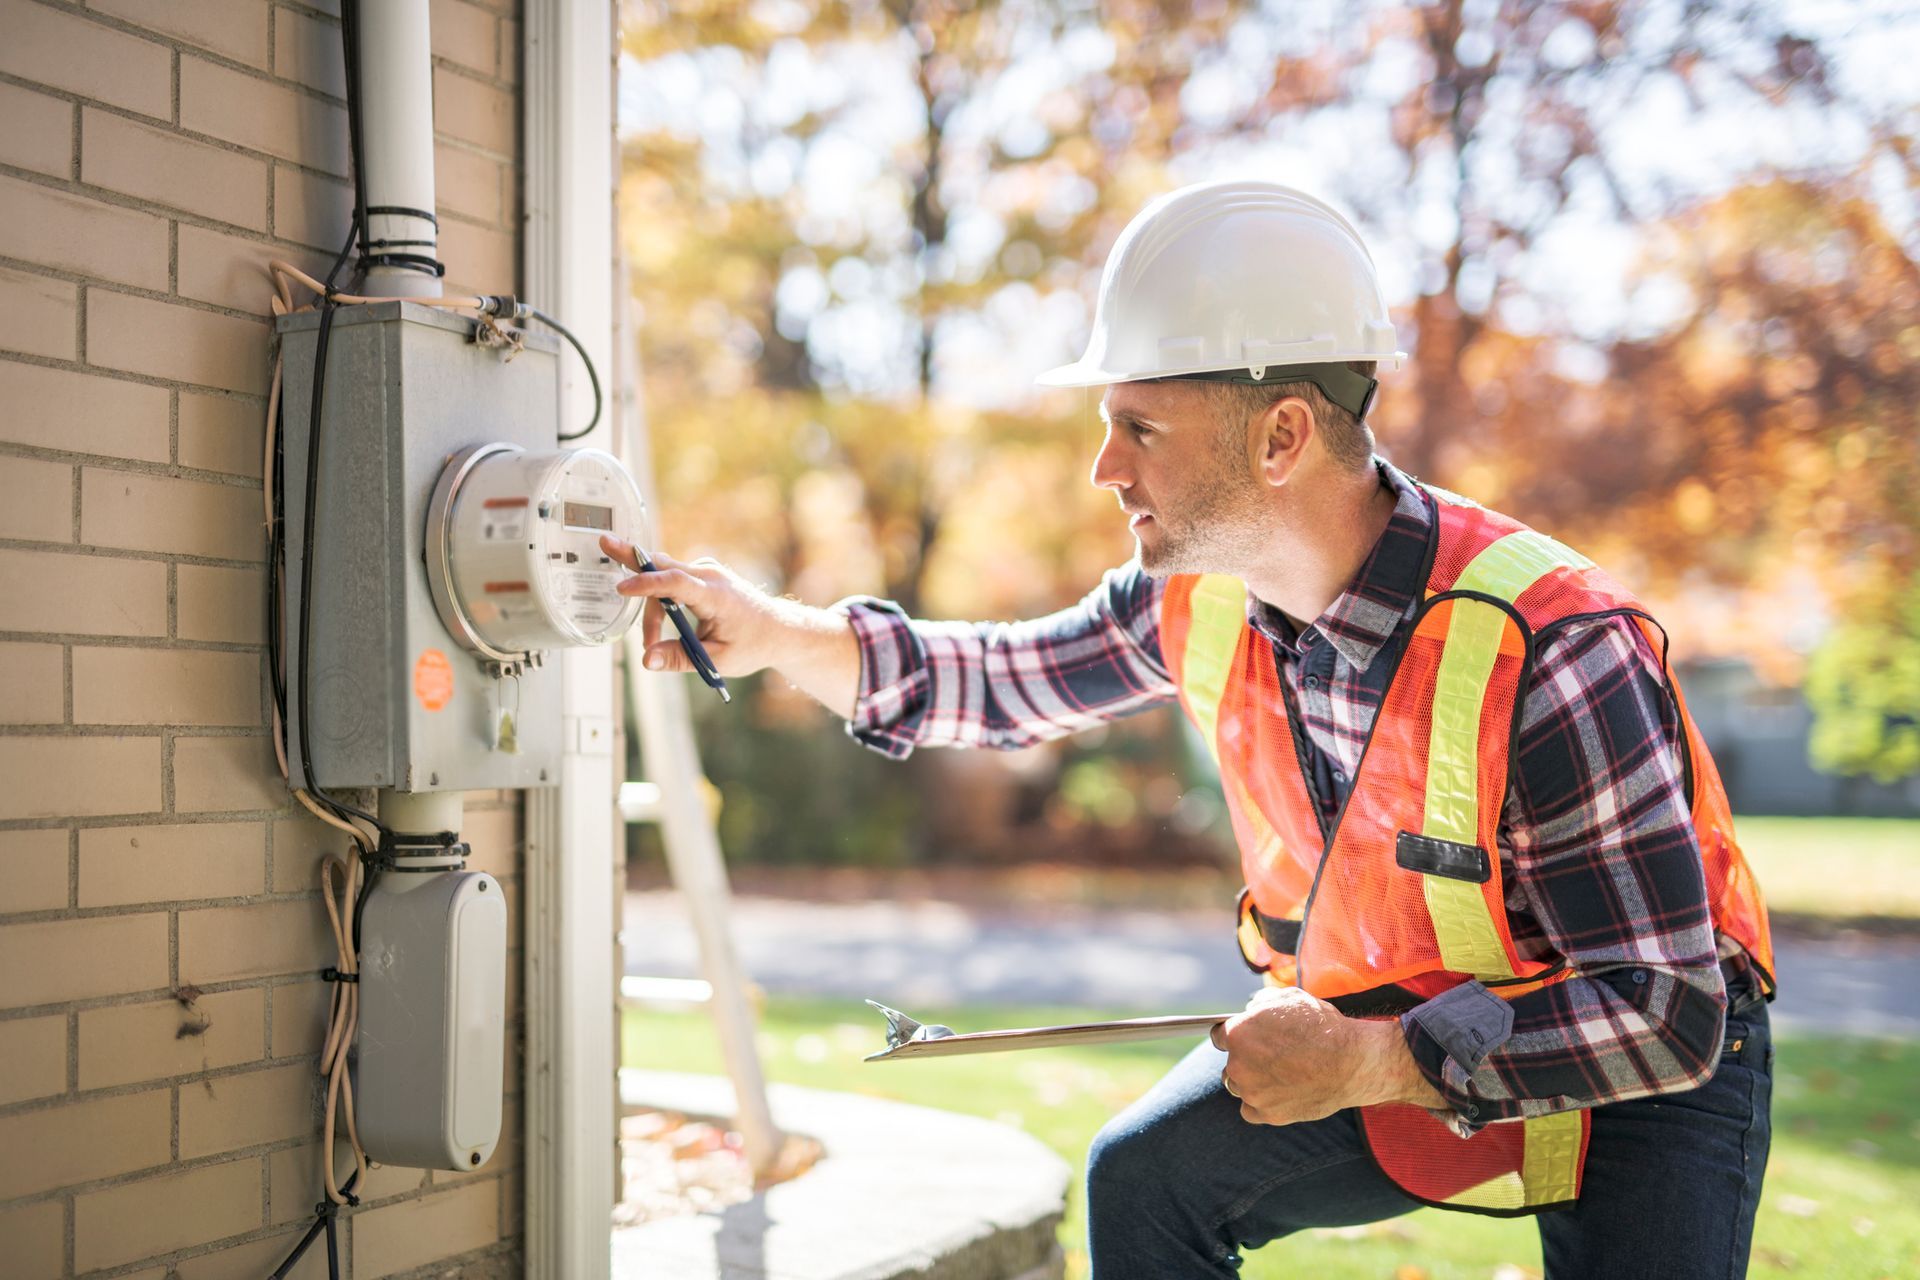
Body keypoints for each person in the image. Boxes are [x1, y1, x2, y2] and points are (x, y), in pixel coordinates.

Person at [601, 180, 1777, 1278]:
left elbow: (1662, 1008)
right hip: (1395, 1011)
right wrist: (769, 633)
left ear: (1279, 438)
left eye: (1141, 428)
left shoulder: (1554, 644)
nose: (1103, 467)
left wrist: (1369, 1060)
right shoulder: (1197, 593)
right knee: (1149, 1174)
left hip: (1642, 1065)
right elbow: (1006, 677)